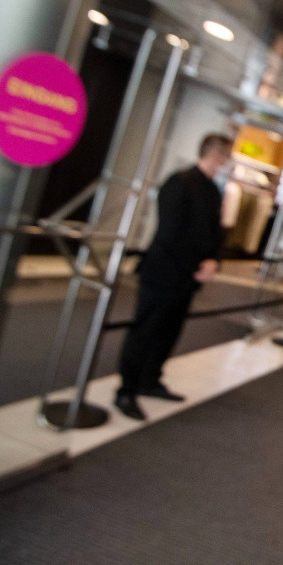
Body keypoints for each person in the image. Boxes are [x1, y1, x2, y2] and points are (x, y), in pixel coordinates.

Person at [114, 133, 231, 420]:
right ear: (216, 154)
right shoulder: (179, 182)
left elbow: (215, 232)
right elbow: (169, 232)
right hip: (162, 273)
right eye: (226, 155)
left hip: (186, 279)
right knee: (146, 330)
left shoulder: (213, 190)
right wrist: (198, 265)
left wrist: (213, 261)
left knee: (169, 332)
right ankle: (126, 390)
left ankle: (150, 380)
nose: (228, 161)